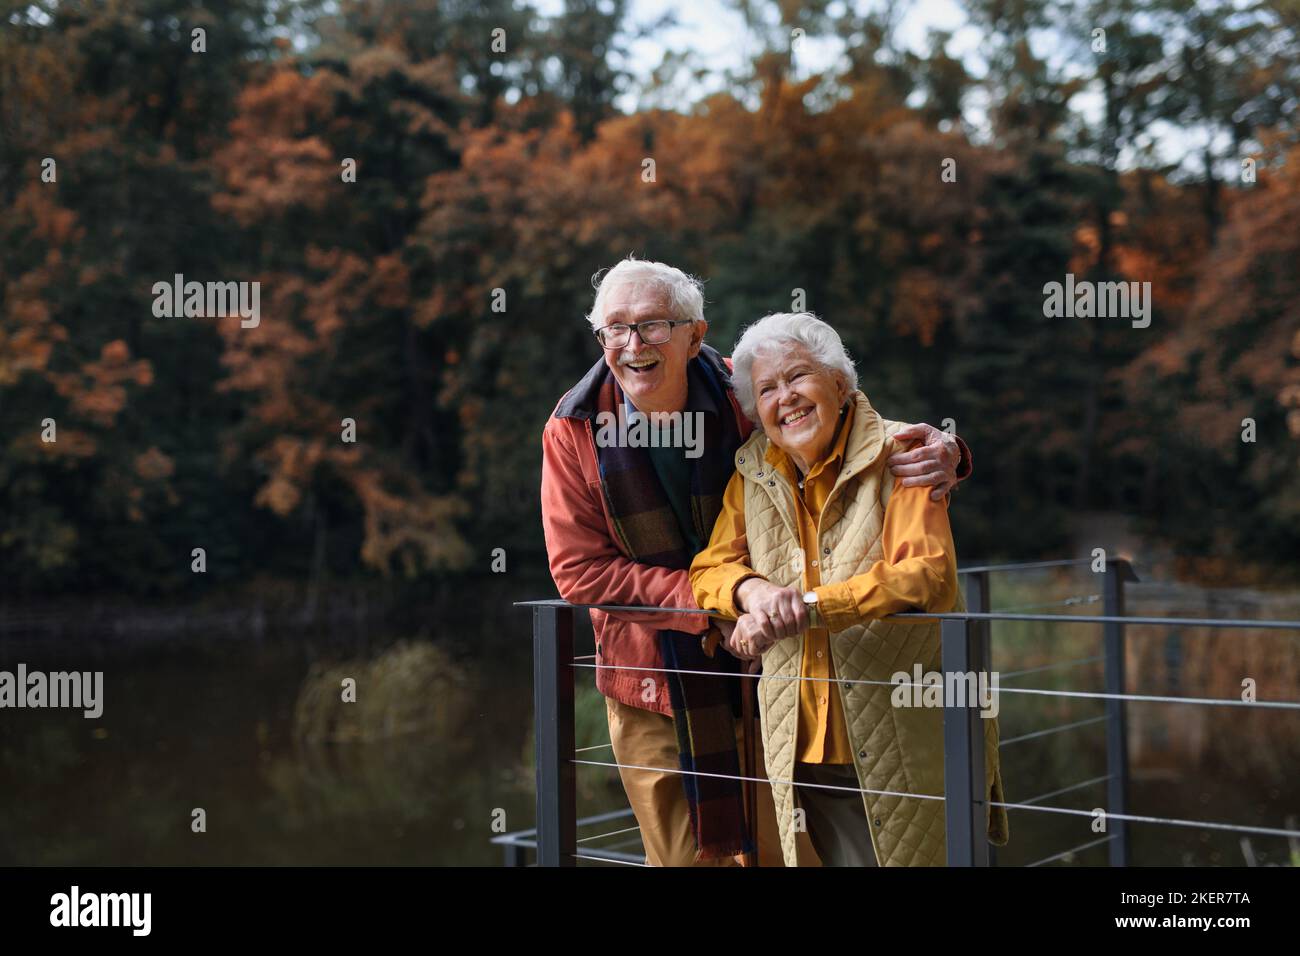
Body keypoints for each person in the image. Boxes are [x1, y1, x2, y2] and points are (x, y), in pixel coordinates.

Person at [540, 259, 973, 865]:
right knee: (688, 860)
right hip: (655, 678)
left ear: (695, 334)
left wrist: (943, 449)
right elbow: (580, 572)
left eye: (653, 325)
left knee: (788, 854)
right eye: (615, 328)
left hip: (767, 672)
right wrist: (729, 599)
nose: (633, 345)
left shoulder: (747, 388)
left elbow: (829, 403)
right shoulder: (573, 429)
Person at [689, 311, 1009, 866]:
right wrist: (753, 594)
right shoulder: (752, 472)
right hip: (802, 742)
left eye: (797, 377)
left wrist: (808, 608)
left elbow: (923, 574)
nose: (784, 398)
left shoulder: (903, 451)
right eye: (767, 389)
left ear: (840, 381)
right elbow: (709, 568)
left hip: (904, 729)